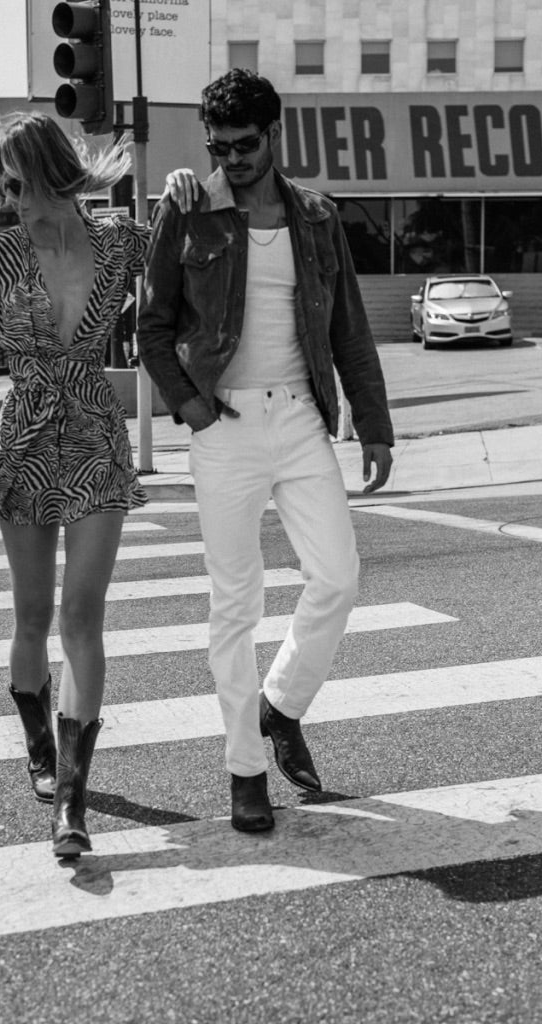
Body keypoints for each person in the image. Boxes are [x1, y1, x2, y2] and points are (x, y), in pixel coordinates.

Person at [0, 112, 193, 859]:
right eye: (1, 185)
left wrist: (178, 191)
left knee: (83, 617)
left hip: (97, 441)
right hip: (25, 443)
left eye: (18, 183)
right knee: (32, 616)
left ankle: (71, 800)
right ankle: (40, 745)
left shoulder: (118, 242)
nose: (10, 196)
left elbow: (188, 240)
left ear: (49, 173)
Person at [138, 69, 395, 833]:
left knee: (339, 578)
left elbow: (347, 324)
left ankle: (281, 707)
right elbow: (150, 325)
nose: (232, 159)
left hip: (301, 422)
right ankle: (244, 768)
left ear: (274, 135)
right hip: (224, 427)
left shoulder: (316, 215)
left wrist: (373, 422)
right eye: (218, 147)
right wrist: (190, 408)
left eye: (245, 145)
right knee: (235, 603)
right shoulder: (187, 210)